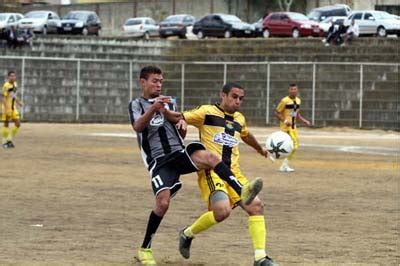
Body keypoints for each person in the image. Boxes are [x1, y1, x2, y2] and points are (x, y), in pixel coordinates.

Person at [128, 66, 263, 265]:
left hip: (179, 153)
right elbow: (138, 126)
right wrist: (154, 108)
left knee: (210, 158)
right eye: (154, 81)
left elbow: (178, 125)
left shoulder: (169, 101)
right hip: (159, 161)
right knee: (163, 204)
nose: (158, 84)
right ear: (143, 82)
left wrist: (180, 124)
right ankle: (144, 249)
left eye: (161, 81)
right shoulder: (136, 104)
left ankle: (242, 190)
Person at [166, 82, 275, 266]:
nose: (238, 101)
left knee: (256, 206)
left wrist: (260, 149)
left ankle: (260, 258)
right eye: (234, 96)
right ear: (223, 95)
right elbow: (181, 116)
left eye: (241, 98)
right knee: (222, 211)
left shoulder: (239, 119)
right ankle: (187, 234)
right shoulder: (206, 112)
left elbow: (246, 135)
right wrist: (179, 118)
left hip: (234, 173)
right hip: (212, 172)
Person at [274, 83, 310, 172]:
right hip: (286, 128)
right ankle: (283, 165)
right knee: (294, 146)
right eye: (291, 89)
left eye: (294, 89)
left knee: (292, 146)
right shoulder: (284, 101)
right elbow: (277, 112)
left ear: (297, 90)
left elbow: (296, 114)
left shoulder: (298, 100)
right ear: (288, 90)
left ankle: (282, 163)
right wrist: (285, 121)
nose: (293, 91)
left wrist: (304, 120)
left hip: (293, 127)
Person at [2, 70, 23, 149]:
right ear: (8, 77)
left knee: (18, 124)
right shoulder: (6, 85)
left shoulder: (15, 84)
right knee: (6, 124)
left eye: (14, 76)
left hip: (13, 107)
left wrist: (18, 102)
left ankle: (9, 140)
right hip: (6, 107)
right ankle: (5, 143)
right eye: (11, 76)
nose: (13, 77)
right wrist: (7, 109)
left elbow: (13, 95)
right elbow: (3, 97)